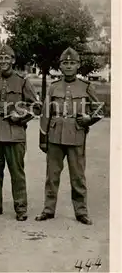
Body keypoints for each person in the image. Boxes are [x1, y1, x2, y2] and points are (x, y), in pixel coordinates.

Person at [36, 47, 103, 225]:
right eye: (65, 63)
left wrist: (88, 119)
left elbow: (99, 110)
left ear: (78, 65)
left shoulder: (86, 87)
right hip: (55, 137)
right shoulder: (53, 87)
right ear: (60, 66)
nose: (68, 66)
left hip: (76, 136)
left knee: (78, 176)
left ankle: (81, 212)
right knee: (52, 176)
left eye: (72, 63)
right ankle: (48, 209)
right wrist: (43, 138)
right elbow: (45, 114)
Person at [0, 44, 40, 221]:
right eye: (0, 58)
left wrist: (20, 117)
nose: (3, 61)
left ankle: (21, 208)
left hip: (14, 135)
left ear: (13, 61)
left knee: (17, 173)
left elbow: (36, 107)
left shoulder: (22, 81)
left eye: (7, 58)